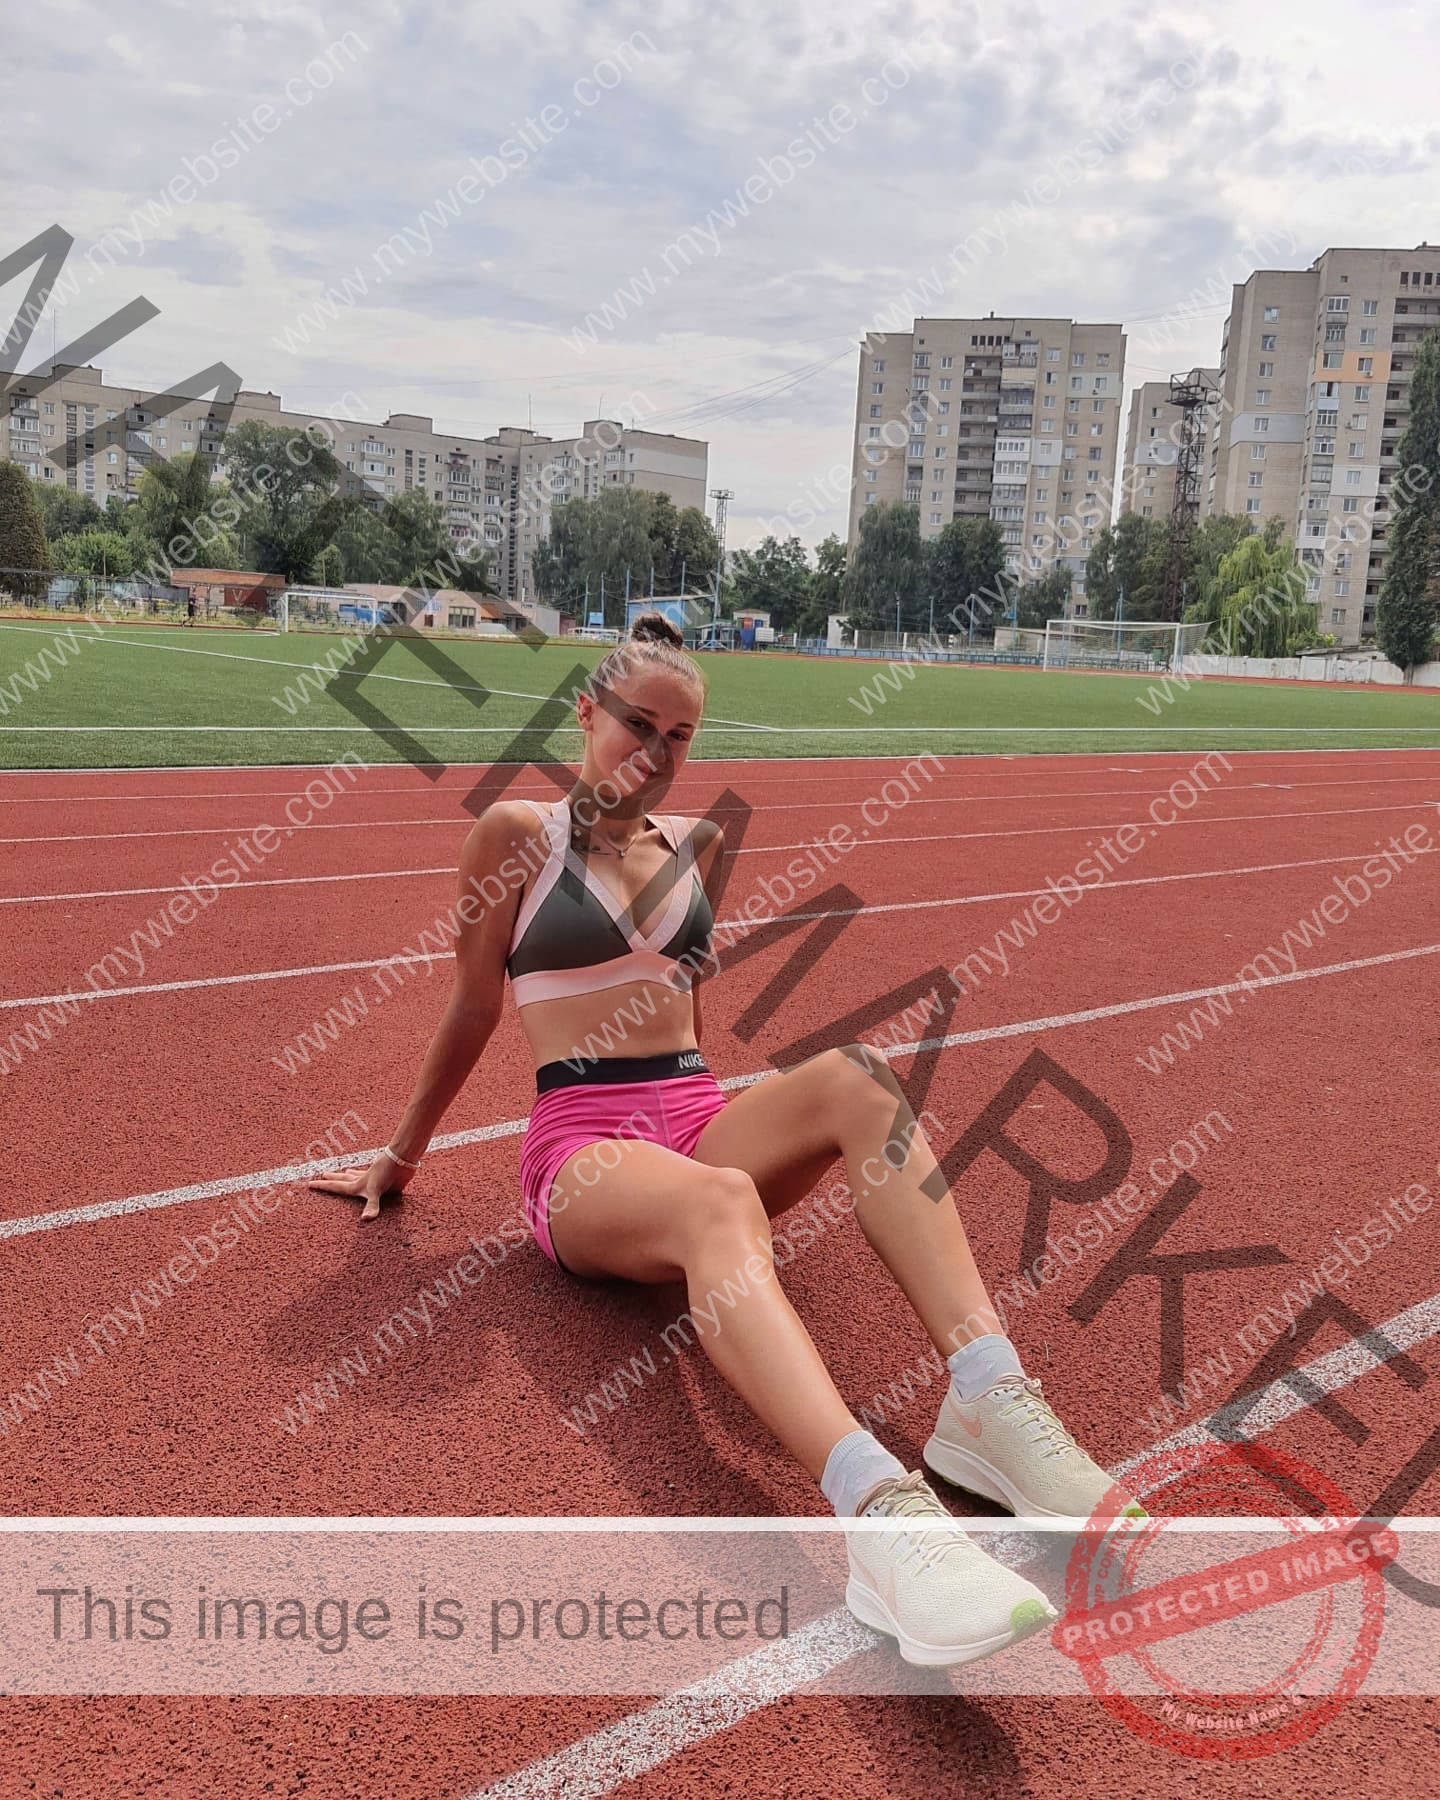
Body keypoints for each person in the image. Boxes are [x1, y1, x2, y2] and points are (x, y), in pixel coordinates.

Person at [311, 612, 1140, 1667]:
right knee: (720, 1205)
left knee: (862, 1078)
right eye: (636, 725)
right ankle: (882, 1517)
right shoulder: (517, 837)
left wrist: (722, 1121)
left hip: (694, 1115)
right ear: (584, 712)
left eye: (682, 735)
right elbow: (473, 1006)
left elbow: (688, 1009)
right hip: (583, 1146)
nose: (656, 754)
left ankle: (988, 1397)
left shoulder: (698, 845)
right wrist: (403, 1155)